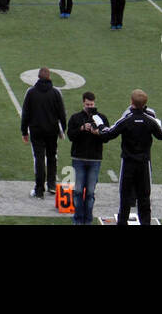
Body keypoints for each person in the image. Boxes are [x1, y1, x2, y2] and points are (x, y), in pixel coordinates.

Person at [88, 89, 162, 226]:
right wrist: (159, 124)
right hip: (144, 163)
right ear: (145, 104)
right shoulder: (150, 120)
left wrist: (98, 121)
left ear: (131, 102)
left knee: (125, 199)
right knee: (144, 199)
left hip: (128, 163)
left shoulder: (127, 119)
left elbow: (108, 133)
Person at [19, 67, 68, 200]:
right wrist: (62, 129)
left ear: (38, 77)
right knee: (52, 156)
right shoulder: (56, 93)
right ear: (49, 77)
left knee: (39, 159)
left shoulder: (31, 92)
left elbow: (26, 114)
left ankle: (39, 189)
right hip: (52, 130)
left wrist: (24, 131)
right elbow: (62, 113)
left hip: (36, 131)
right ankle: (51, 184)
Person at [66, 92, 109, 225]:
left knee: (90, 193)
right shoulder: (76, 118)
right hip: (78, 158)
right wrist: (82, 128)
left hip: (95, 159)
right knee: (78, 191)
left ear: (94, 103)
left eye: (91, 104)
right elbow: (70, 136)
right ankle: (78, 220)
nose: (89, 107)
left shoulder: (101, 118)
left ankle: (88, 220)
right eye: (87, 104)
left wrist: (98, 133)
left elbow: (107, 137)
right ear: (83, 103)